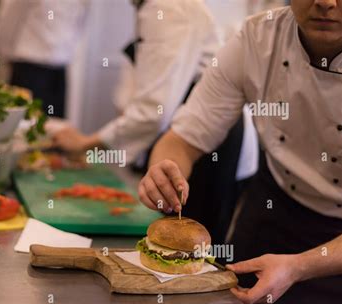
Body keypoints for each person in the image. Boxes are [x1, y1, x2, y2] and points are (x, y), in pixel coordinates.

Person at [138, 0, 342, 304]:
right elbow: (183, 137)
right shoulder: (257, 38)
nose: (325, 3)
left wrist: (300, 266)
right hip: (273, 211)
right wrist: (163, 169)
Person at [53, 0, 259, 244]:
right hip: (184, 136)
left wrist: (87, 143)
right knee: (173, 242)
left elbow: (154, 112)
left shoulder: (168, 9)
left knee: (193, 248)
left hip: (207, 144)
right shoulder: (151, 7)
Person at [0, 0, 90, 118]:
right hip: (29, 67)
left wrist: (68, 53)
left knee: (55, 124)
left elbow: (80, 24)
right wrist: (7, 54)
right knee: (23, 121)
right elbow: (8, 21)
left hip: (60, 69)